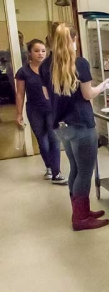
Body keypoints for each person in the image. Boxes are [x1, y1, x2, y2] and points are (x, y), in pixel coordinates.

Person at [40, 23, 109, 231]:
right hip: (81, 124)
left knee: (74, 168)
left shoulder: (46, 65)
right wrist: (102, 86)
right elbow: (88, 95)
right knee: (84, 171)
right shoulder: (79, 63)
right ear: (74, 39)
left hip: (60, 125)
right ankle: (80, 219)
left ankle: (80, 211)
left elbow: (47, 95)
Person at [15, 39, 66, 184]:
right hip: (34, 110)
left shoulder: (52, 69)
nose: (40, 54)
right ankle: (49, 167)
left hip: (52, 109)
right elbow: (19, 94)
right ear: (30, 53)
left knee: (54, 139)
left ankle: (57, 173)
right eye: (36, 51)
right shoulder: (23, 71)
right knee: (42, 141)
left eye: (43, 50)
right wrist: (18, 113)